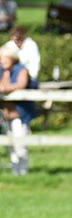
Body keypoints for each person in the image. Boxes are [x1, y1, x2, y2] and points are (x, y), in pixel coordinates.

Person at [0, 42, 36, 174]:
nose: (2, 61)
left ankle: (23, 169)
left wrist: (4, 88)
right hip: (5, 114)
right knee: (9, 144)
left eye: (4, 58)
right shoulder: (3, 72)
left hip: (20, 114)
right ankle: (15, 170)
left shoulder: (21, 70)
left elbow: (21, 85)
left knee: (20, 143)